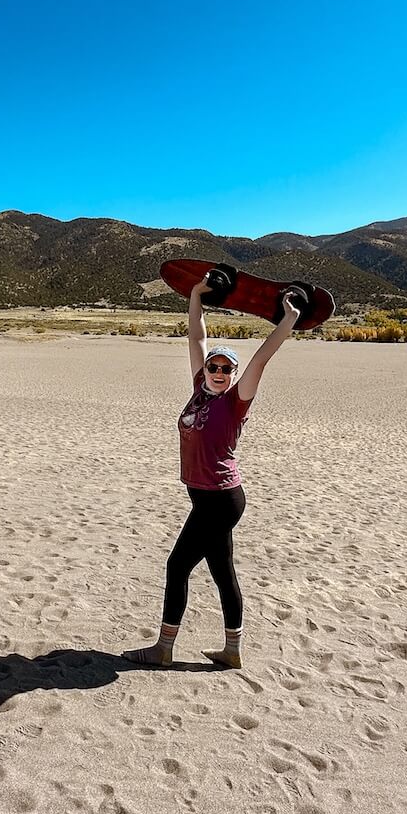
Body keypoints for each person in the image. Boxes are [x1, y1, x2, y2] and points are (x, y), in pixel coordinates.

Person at [123, 278, 301, 669]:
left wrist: (287, 321)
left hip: (220, 499)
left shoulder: (236, 401)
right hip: (205, 497)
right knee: (223, 572)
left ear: (234, 375)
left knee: (177, 566)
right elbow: (195, 337)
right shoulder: (199, 389)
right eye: (214, 366)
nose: (219, 371)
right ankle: (232, 651)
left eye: (226, 368)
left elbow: (261, 359)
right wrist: (195, 296)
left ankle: (163, 649)